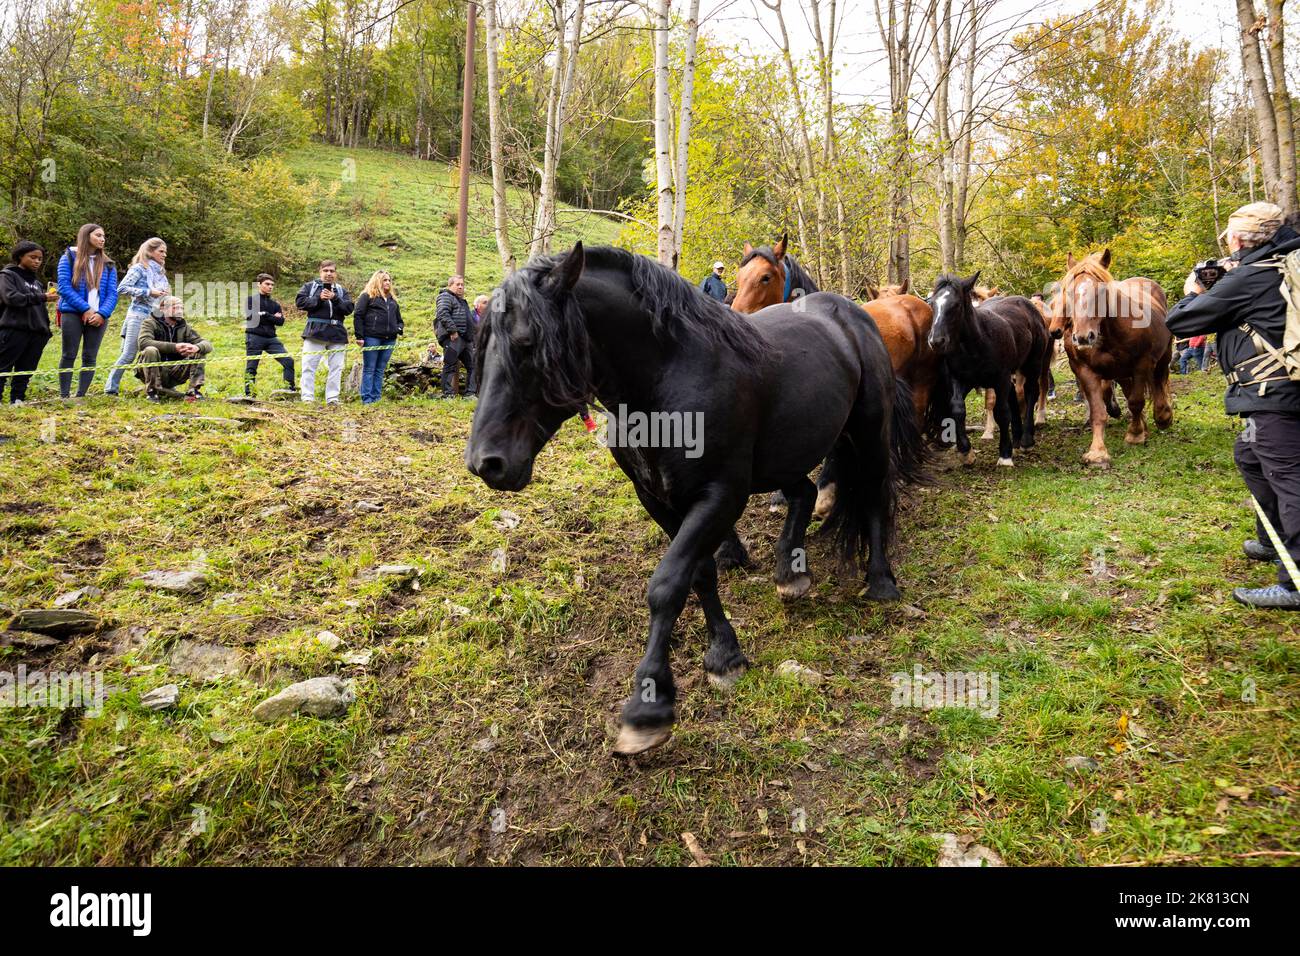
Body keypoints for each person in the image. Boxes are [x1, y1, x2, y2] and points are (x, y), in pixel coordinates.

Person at [1167, 201, 1300, 611]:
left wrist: (1196, 289)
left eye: (1230, 237)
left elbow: (1180, 322)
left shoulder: (1248, 278)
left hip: (1273, 393)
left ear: (1240, 238)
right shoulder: (1285, 264)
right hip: (1281, 390)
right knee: (1250, 456)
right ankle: (1271, 539)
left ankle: (1295, 579)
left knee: (1287, 476)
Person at [56, 223, 118, 398]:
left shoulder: (109, 264)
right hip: (72, 313)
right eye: (98, 235)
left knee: (90, 356)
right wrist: (85, 308)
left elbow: (113, 293)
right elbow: (64, 287)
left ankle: (81, 396)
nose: (102, 239)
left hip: (99, 316)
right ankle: (64, 396)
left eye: (104, 236)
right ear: (86, 235)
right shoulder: (68, 257)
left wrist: (101, 313)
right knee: (69, 354)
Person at [108, 237, 170, 396]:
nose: (164, 255)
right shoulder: (139, 269)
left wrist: (166, 300)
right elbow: (122, 289)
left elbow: (162, 297)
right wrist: (148, 292)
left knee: (156, 353)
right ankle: (110, 389)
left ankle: (157, 387)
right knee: (128, 355)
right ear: (150, 251)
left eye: (165, 252)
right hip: (138, 316)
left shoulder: (161, 273)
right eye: (161, 251)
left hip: (155, 318)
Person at [0, 241, 57, 405]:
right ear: (20, 256)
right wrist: (43, 297)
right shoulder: (8, 276)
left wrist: (45, 330)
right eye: (33, 257)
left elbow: (38, 307)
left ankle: (17, 399)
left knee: (25, 370)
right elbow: (11, 298)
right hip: (13, 329)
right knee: (3, 367)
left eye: (40, 258)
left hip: (37, 333)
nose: (37, 261)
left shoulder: (37, 283)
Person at [296, 260, 353, 405]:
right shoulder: (310, 287)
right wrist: (318, 299)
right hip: (315, 331)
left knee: (337, 367)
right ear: (320, 272)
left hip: (337, 333)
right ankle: (307, 398)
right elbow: (300, 303)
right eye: (326, 270)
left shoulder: (341, 290)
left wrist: (335, 298)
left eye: (332, 271)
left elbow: (348, 308)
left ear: (336, 273)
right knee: (309, 366)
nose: (329, 274)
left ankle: (332, 398)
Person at [135, 296, 212, 401]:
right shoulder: (150, 322)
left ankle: (194, 392)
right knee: (150, 350)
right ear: (162, 309)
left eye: (182, 308)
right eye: (175, 308)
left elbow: (207, 344)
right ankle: (152, 392)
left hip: (175, 372)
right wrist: (175, 347)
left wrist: (196, 347)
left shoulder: (184, 327)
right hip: (153, 369)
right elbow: (143, 342)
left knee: (199, 351)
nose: (180, 311)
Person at [353, 270, 403, 405]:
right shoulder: (367, 296)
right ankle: (367, 399)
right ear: (377, 281)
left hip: (390, 338)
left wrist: (399, 329)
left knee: (380, 369)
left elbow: (399, 319)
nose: (387, 282)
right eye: (384, 280)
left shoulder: (392, 300)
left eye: (389, 280)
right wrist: (359, 336)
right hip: (372, 337)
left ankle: (376, 398)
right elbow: (358, 315)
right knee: (370, 368)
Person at [244, 273, 296, 396]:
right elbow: (252, 317)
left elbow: (281, 321)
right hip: (254, 336)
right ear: (259, 284)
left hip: (271, 338)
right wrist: (272, 316)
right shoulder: (251, 300)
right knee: (252, 367)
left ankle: (289, 391)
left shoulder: (275, 304)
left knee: (288, 361)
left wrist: (264, 314)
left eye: (272, 285)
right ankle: (249, 395)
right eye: (267, 284)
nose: (270, 287)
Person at [435, 274, 474, 398]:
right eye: (458, 284)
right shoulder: (445, 296)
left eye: (462, 285)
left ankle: (470, 393)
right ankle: (448, 394)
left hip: (466, 339)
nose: (461, 287)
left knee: (473, 366)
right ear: (450, 285)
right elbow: (443, 313)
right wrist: (452, 331)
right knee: (450, 364)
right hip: (453, 338)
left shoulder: (461, 301)